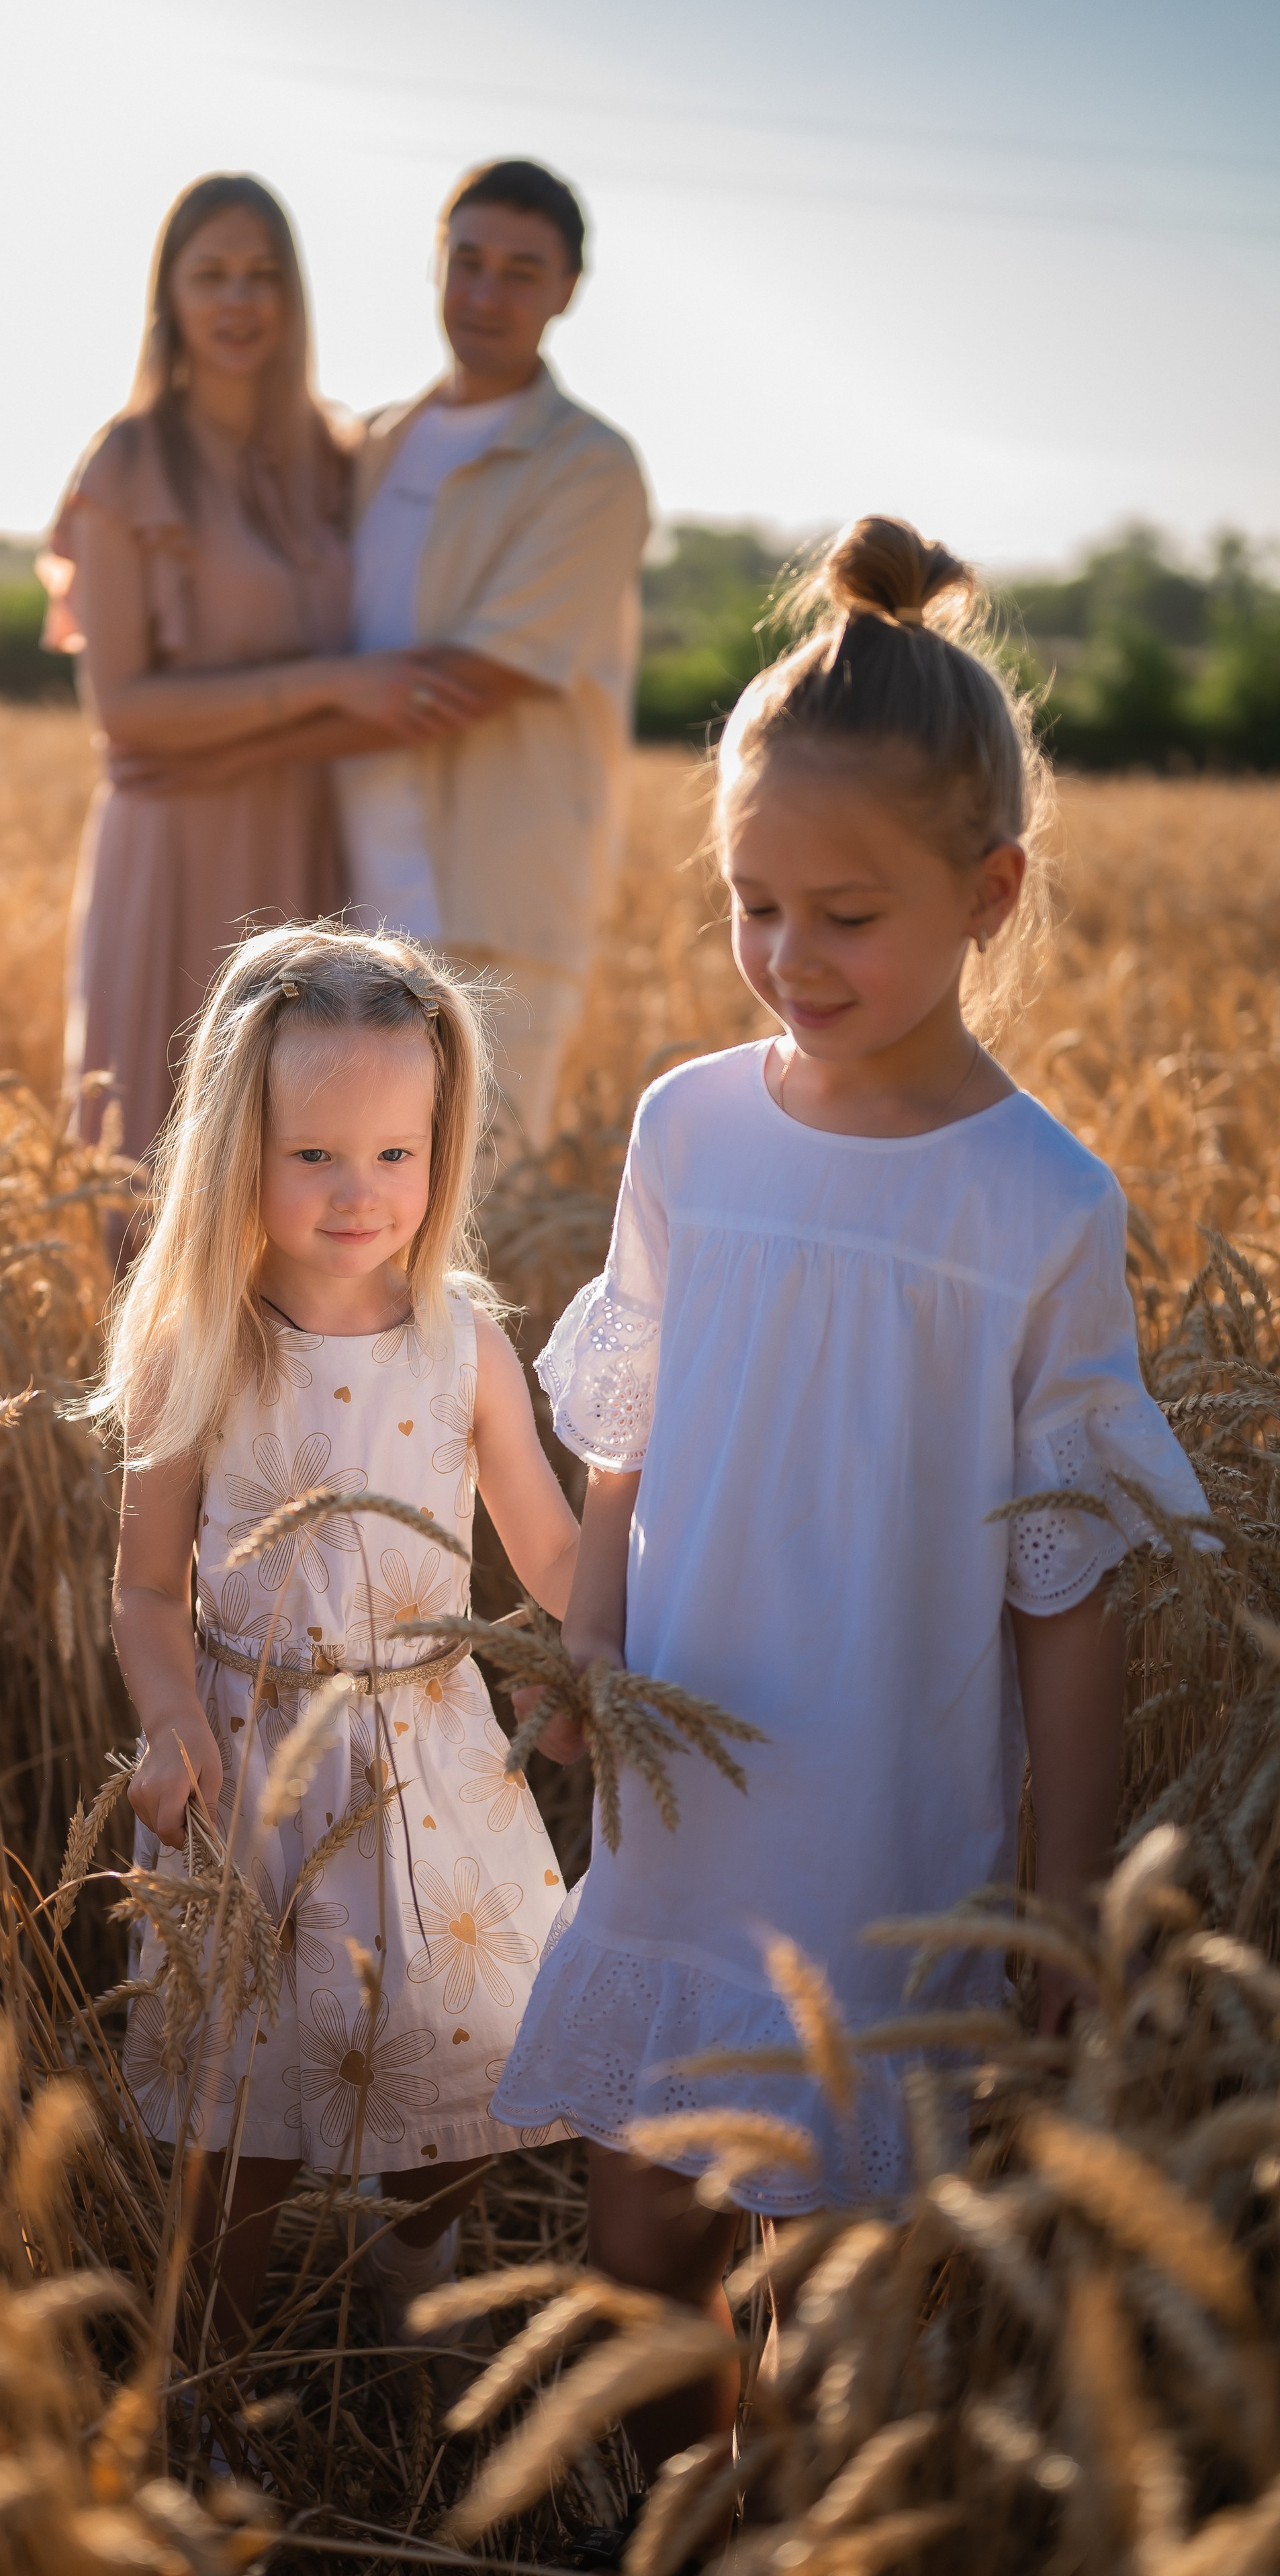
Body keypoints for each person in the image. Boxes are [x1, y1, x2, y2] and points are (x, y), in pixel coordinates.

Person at [490, 518, 1212, 2493]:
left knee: (845, 2260)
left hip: (889, 1809)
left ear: (989, 894)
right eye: (752, 906)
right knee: (638, 2229)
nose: (792, 960)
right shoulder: (691, 1127)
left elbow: (1065, 1591)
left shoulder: (1040, 1205)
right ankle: (657, 2516)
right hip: (687, 1780)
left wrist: (1061, 1892)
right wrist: (589, 1639)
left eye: (848, 914)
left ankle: (805, 2524)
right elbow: (623, 1441)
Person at [97, 922, 580, 2348]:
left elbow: (550, 1552)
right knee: (236, 2117)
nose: (358, 1193)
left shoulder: (464, 1343)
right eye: (312, 1155)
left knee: (484, 2062)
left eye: (395, 1154)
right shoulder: (198, 1346)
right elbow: (141, 1589)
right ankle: (211, 2378)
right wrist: (172, 1716)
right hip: (251, 1760)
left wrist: (636, 1634)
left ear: (440, 1147)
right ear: (234, 1152)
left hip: (433, 1752)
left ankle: (412, 2258)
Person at [41, 175, 487, 1231]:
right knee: (162, 1168)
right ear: (171, 299)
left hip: (304, 841)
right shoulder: (130, 461)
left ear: (292, 296)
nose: (238, 301)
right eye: (211, 276)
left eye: (261, 276)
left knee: (300, 1169)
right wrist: (336, 687)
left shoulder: (333, 458)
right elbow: (130, 718)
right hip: (177, 848)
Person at [336, 160, 651, 1153]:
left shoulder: (588, 466)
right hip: (344, 898)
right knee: (338, 1235)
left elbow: (476, 680)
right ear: (435, 266)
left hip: (496, 915)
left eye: (521, 271)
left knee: (475, 1237)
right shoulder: (373, 447)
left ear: (566, 293)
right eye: (466, 261)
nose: (484, 293)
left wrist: (219, 721)